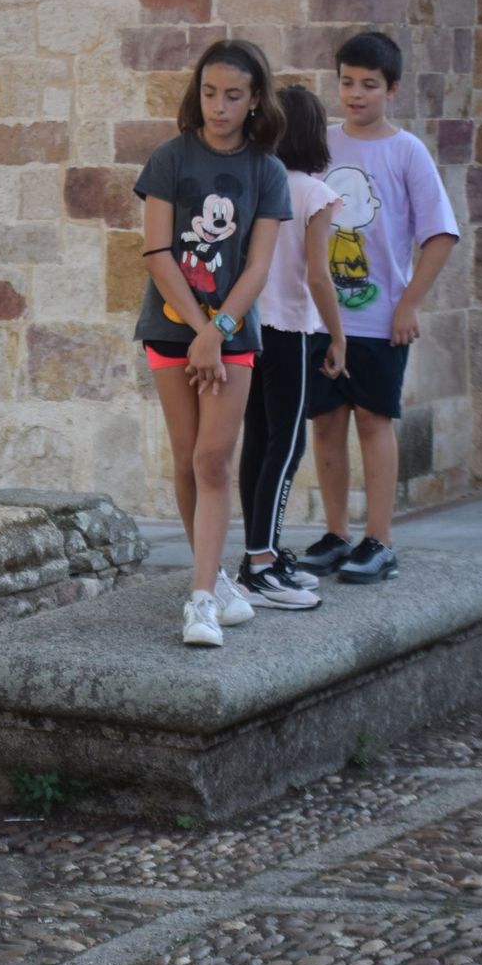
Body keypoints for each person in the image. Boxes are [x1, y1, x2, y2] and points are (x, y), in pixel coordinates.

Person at [133, 38, 291, 647]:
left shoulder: (266, 171)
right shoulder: (170, 158)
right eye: (208, 93)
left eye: (232, 96)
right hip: (172, 330)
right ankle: (215, 578)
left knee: (213, 460)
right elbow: (156, 252)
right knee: (185, 458)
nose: (218, 106)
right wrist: (200, 333)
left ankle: (200, 600)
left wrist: (219, 332)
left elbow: (257, 267)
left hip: (234, 334)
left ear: (254, 101)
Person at [297, 31, 459, 584]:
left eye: (369, 84)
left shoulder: (406, 151)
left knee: (373, 419)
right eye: (346, 82)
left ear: (392, 89)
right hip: (321, 317)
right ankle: (337, 533)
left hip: (380, 318)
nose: (356, 94)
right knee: (325, 422)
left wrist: (409, 303)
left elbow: (440, 234)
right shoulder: (319, 146)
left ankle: (380, 539)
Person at [235, 84, 348, 610]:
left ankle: (262, 553)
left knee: (259, 441)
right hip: (287, 330)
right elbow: (320, 278)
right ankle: (261, 563)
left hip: (248, 327)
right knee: (287, 443)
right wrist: (338, 336)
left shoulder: (258, 181)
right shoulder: (314, 193)